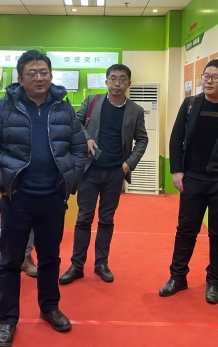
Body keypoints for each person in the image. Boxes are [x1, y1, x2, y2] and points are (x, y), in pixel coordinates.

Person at [0, 49, 86, 347]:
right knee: (10, 261)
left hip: (53, 199)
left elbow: (79, 147)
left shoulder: (63, 107)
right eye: (32, 73)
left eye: (44, 72)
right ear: (20, 78)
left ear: (51, 75)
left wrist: (71, 180)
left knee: (50, 258)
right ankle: (7, 320)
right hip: (17, 199)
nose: (39, 77)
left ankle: (49, 307)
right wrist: (1, 183)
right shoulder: (5, 107)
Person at [160, 59, 218, 303]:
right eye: (206, 76)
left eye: (215, 77)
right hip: (193, 179)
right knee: (185, 231)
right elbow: (176, 138)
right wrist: (177, 171)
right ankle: (177, 277)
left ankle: (214, 281)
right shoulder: (191, 104)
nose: (208, 81)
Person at [59, 64, 148, 284]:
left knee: (106, 219)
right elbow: (75, 123)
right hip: (90, 171)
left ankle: (101, 264)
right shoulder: (92, 101)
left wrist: (128, 164)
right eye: (113, 79)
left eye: (122, 79)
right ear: (106, 82)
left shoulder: (135, 110)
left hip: (116, 173)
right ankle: (77, 265)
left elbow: (142, 139)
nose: (117, 83)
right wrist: (87, 138)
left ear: (128, 83)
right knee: (83, 218)